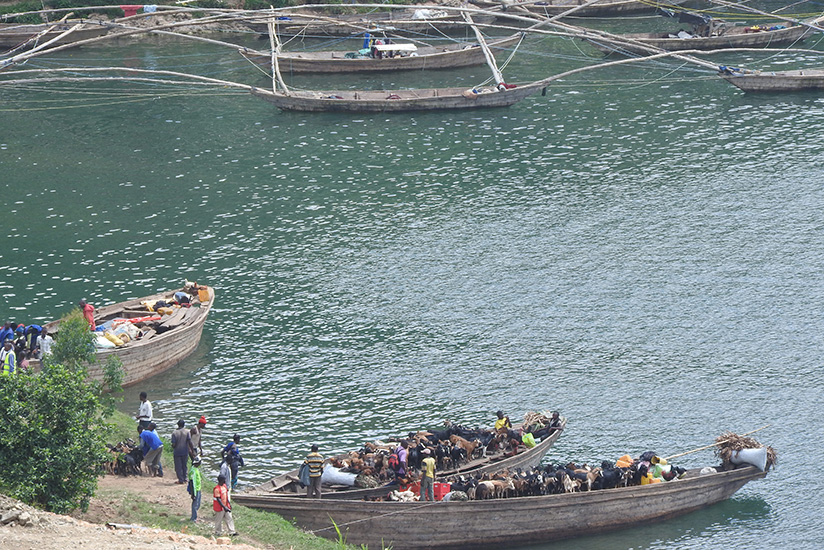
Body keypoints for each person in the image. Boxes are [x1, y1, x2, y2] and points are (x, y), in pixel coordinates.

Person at [171, 419, 190, 484]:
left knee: (178, 466)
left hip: (177, 452)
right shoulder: (187, 432)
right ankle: (185, 478)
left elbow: (174, 444)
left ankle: (180, 479)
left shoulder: (175, 433)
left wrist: (173, 447)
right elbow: (189, 441)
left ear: (178, 425)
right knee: (184, 465)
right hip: (185, 451)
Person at [188, 456, 202, 522]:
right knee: (195, 504)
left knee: (198, 503)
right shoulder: (193, 471)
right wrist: (193, 494)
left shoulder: (196, 469)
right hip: (195, 490)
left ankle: (195, 516)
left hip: (198, 488)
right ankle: (193, 518)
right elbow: (192, 483)